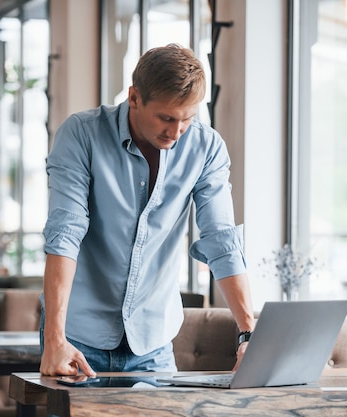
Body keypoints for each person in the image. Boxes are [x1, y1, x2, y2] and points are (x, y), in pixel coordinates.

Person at [39, 44, 255, 377]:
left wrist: (248, 332)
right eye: (166, 118)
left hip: (153, 345)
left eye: (187, 118)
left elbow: (221, 239)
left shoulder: (205, 147)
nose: (176, 131)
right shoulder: (82, 134)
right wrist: (55, 338)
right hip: (77, 340)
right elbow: (65, 232)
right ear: (134, 97)